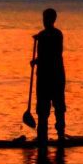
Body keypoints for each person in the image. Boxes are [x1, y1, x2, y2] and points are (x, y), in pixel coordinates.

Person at [32, 8, 66, 146]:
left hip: (55, 76)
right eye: (44, 18)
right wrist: (37, 61)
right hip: (43, 77)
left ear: (52, 20)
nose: (45, 21)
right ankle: (42, 136)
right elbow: (43, 55)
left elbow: (54, 54)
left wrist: (38, 61)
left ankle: (61, 136)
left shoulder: (57, 35)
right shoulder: (42, 35)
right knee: (42, 109)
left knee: (58, 106)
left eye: (47, 18)